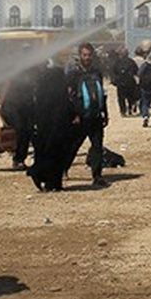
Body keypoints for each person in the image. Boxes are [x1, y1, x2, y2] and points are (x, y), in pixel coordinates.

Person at [27, 61, 78, 191]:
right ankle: (53, 182)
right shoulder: (60, 94)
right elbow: (67, 108)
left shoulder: (41, 94)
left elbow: (35, 112)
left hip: (44, 131)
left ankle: (47, 179)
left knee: (45, 155)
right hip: (59, 131)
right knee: (58, 157)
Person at [65, 43, 110, 188]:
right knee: (73, 146)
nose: (87, 58)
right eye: (84, 55)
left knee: (97, 146)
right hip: (80, 117)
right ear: (80, 55)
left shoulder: (96, 72)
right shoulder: (73, 74)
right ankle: (63, 169)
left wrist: (105, 113)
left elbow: (101, 93)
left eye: (89, 55)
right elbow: (68, 96)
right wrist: (73, 115)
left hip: (95, 116)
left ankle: (97, 176)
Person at [110, 47, 140, 117]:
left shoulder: (117, 62)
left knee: (121, 98)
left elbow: (113, 72)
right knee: (130, 97)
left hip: (120, 83)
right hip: (130, 82)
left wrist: (114, 81)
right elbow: (136, 71)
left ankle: (123, 111)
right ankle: (129, 109)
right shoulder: (131, 61)